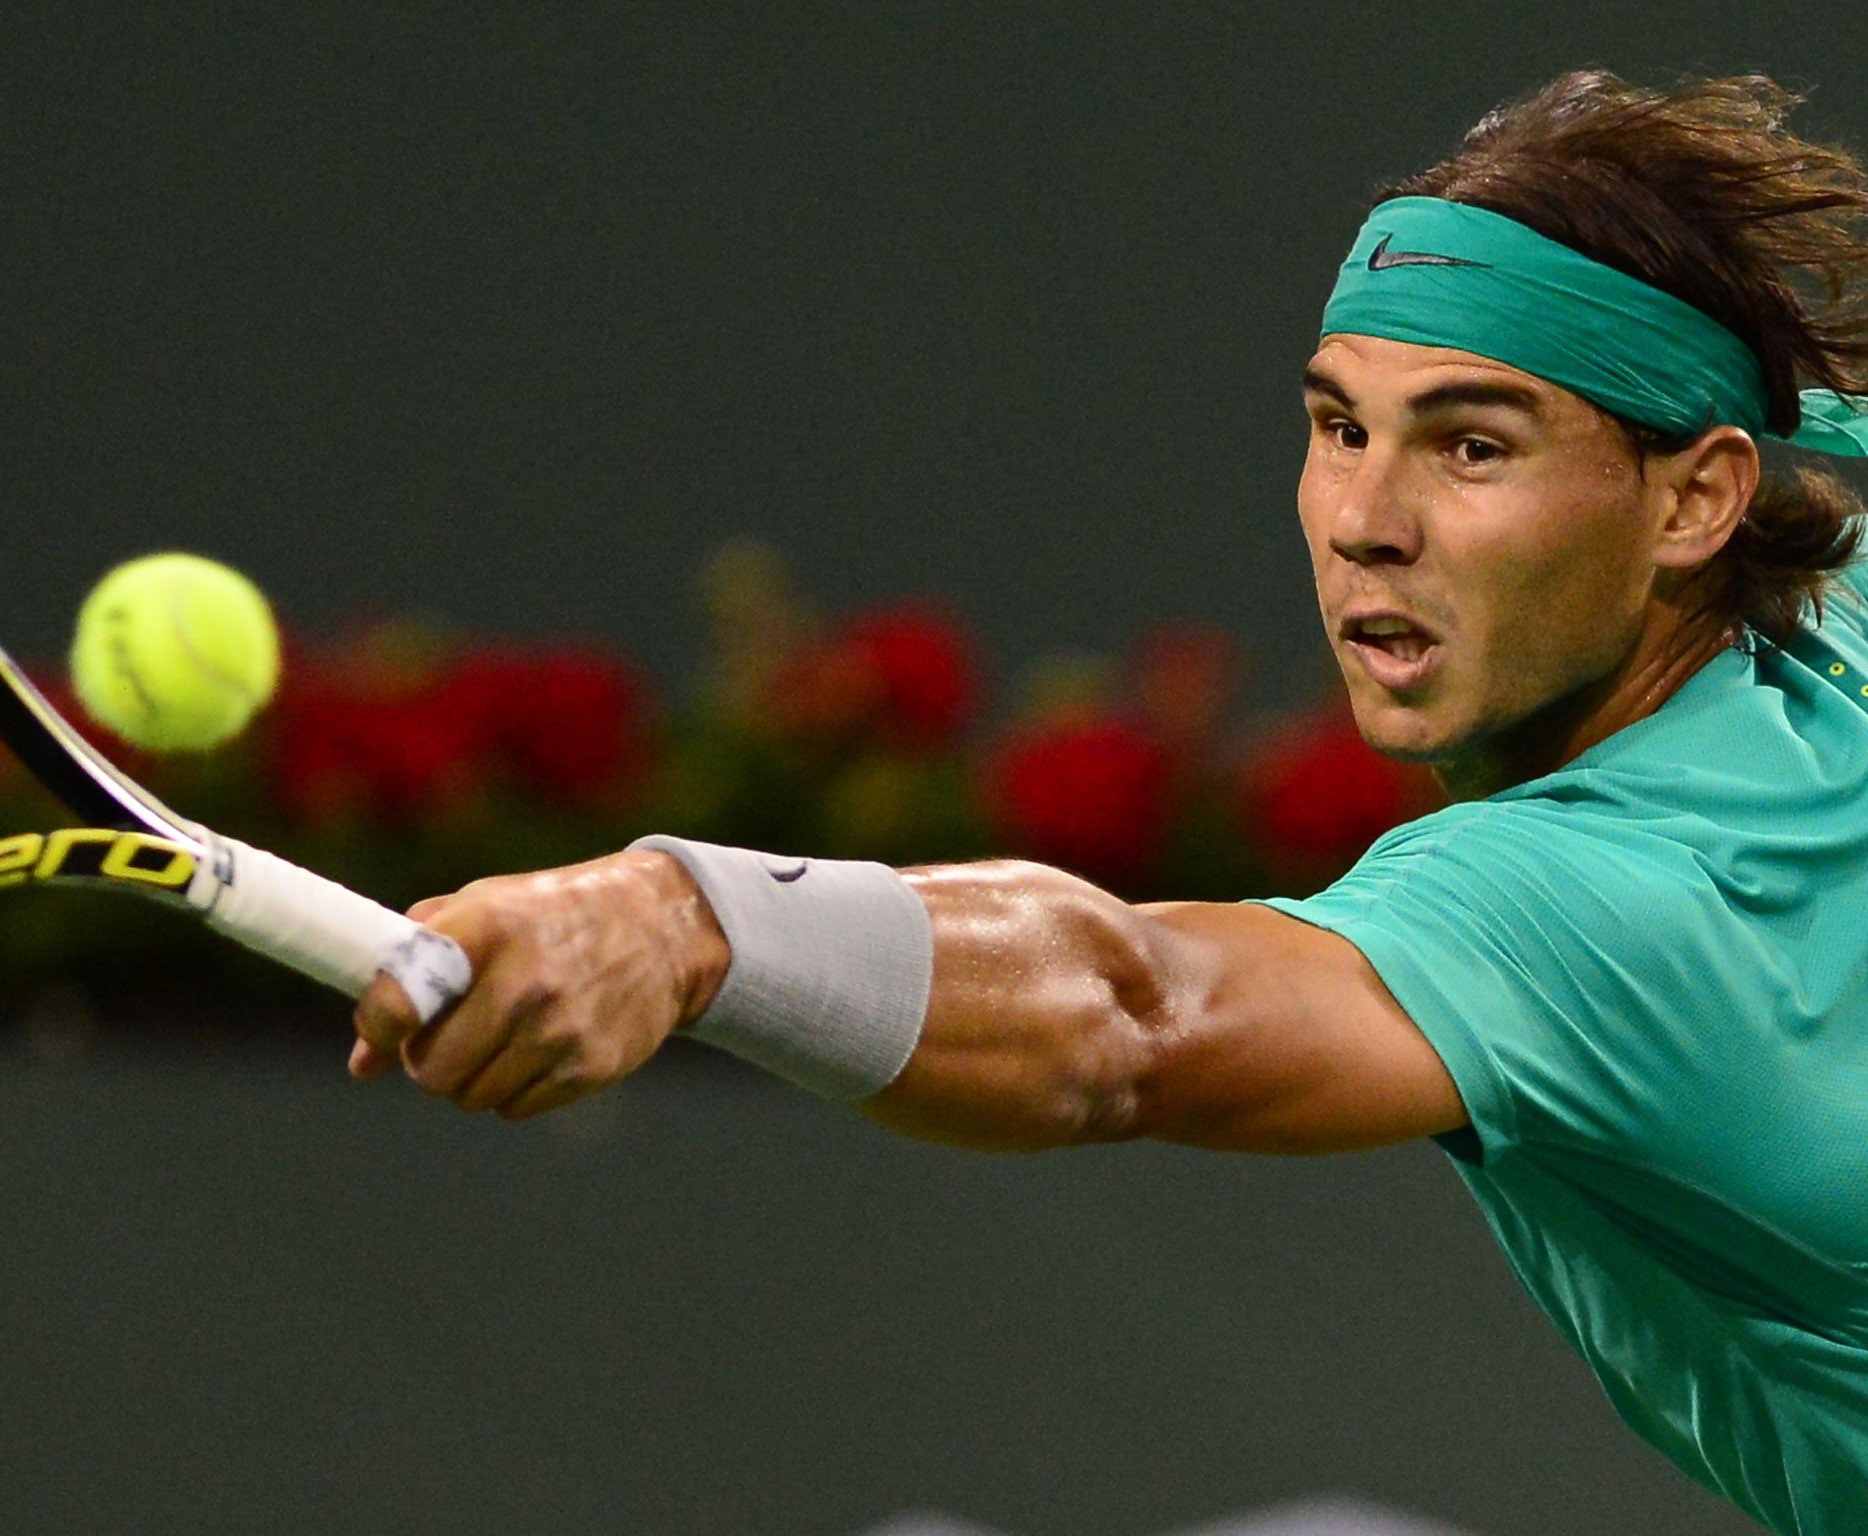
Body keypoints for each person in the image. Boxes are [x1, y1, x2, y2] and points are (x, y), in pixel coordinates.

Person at [352, 73, 1868, 1535]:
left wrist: (689, 921)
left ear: (1697, 499)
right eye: (1340, 427)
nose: (1364, 524)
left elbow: (1127, 1009)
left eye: (1473, 447)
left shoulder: (1591, 902)